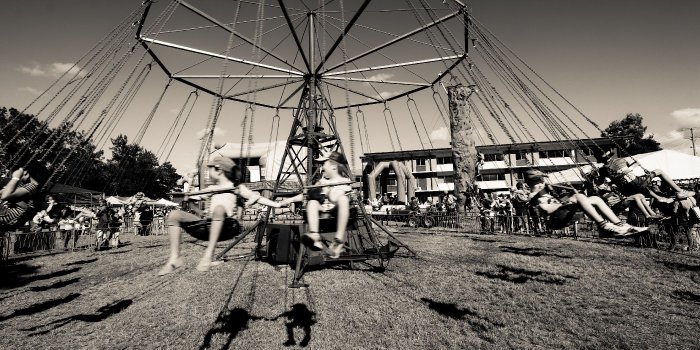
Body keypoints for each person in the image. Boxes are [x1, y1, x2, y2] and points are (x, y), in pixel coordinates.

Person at [159, 156, 282, 275]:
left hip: (229, 226)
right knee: (174, 215)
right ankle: (175, 257)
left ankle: (208, 255)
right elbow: (191, 200)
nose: (208, 173)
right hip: (209, 226)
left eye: (210, 169)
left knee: (218, 209)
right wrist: (194, 205)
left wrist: (276, 205)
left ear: (219, 170)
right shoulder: (212, 188)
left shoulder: (237, 188)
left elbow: (258, 198)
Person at [525, 169, 647, 237]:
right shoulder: (535, 196)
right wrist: (565, 203)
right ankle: (603, 225)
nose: (543, 181)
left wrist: (567, 198)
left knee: (595, 199)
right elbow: (545, 209)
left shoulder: (542, 192)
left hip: (561, 215)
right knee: (578, 196)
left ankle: (619, 225)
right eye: (541, 179)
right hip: (555, 220)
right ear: (538, 182)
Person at [281, 150, 353, 259]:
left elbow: (334, 198)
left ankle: (338, 241)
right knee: (312, 202)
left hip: (337, 213)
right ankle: (314, 236)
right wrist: (289, 200)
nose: (322, 167)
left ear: (334, 166)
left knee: (343, 199)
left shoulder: (344, 181)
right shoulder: (322, 181)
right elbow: (307, 195)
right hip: (324, 212)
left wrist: (327, 188)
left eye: (324, 164)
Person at [1, 162, 51, 230]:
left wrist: (16, 178)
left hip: (7, 215)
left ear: (26, 172)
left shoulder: (32, 186)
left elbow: (5, 195)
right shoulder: (26, 185)